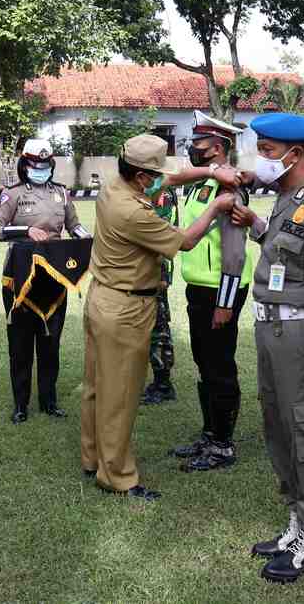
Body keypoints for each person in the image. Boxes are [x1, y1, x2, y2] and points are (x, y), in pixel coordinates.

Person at [228, 113, 304, 583]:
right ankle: (297, 524)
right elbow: (286, 252)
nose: (259, 157)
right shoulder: (288, 197)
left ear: (295, 155)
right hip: (273, 333)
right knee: (281, 432)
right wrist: (257, 226)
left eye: (267, 149)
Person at [80, 134, 236, 501]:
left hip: (103, 299)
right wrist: (217, 207)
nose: (159, 179)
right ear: (140, 177)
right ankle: (117, 476)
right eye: (154, 175)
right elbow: (184, 242)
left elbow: (170, 179)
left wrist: (212, 172)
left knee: (97, 387)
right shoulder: (133, 211)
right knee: (120, 394)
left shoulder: (115, 185)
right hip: (127, 308)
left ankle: (92, 458)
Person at [169, 111, 252, 471]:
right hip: (199, 289)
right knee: (205, 362)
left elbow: (234, 251)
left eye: (198, 145)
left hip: (221, 290)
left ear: (217, 147)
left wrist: (226, 302)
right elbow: (165, 181)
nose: (192, 150)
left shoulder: (229, 188)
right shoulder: (202, 183)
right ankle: (210, 433)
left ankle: (222, 445)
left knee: (219, 366)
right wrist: (207, 171)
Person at [0, 139, 90, 423]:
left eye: (45, 165)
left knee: (50, 341)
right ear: (24, 165)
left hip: (55, 276)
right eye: (35, 165)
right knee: (20, 343)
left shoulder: (62, 194)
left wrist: (87, 238)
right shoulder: (13, 194)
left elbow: (74, 225)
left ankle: (49, 401)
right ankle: (21, 404)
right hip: (21, 277)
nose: (41, 170)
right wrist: (27, 230)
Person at [141, 184, 179, 404]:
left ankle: (163, 384)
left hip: (156, 270)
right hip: (144, 270)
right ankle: (158, 382)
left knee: (159, 328)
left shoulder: (160, 190)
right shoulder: (149, 186)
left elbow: (161, 232)